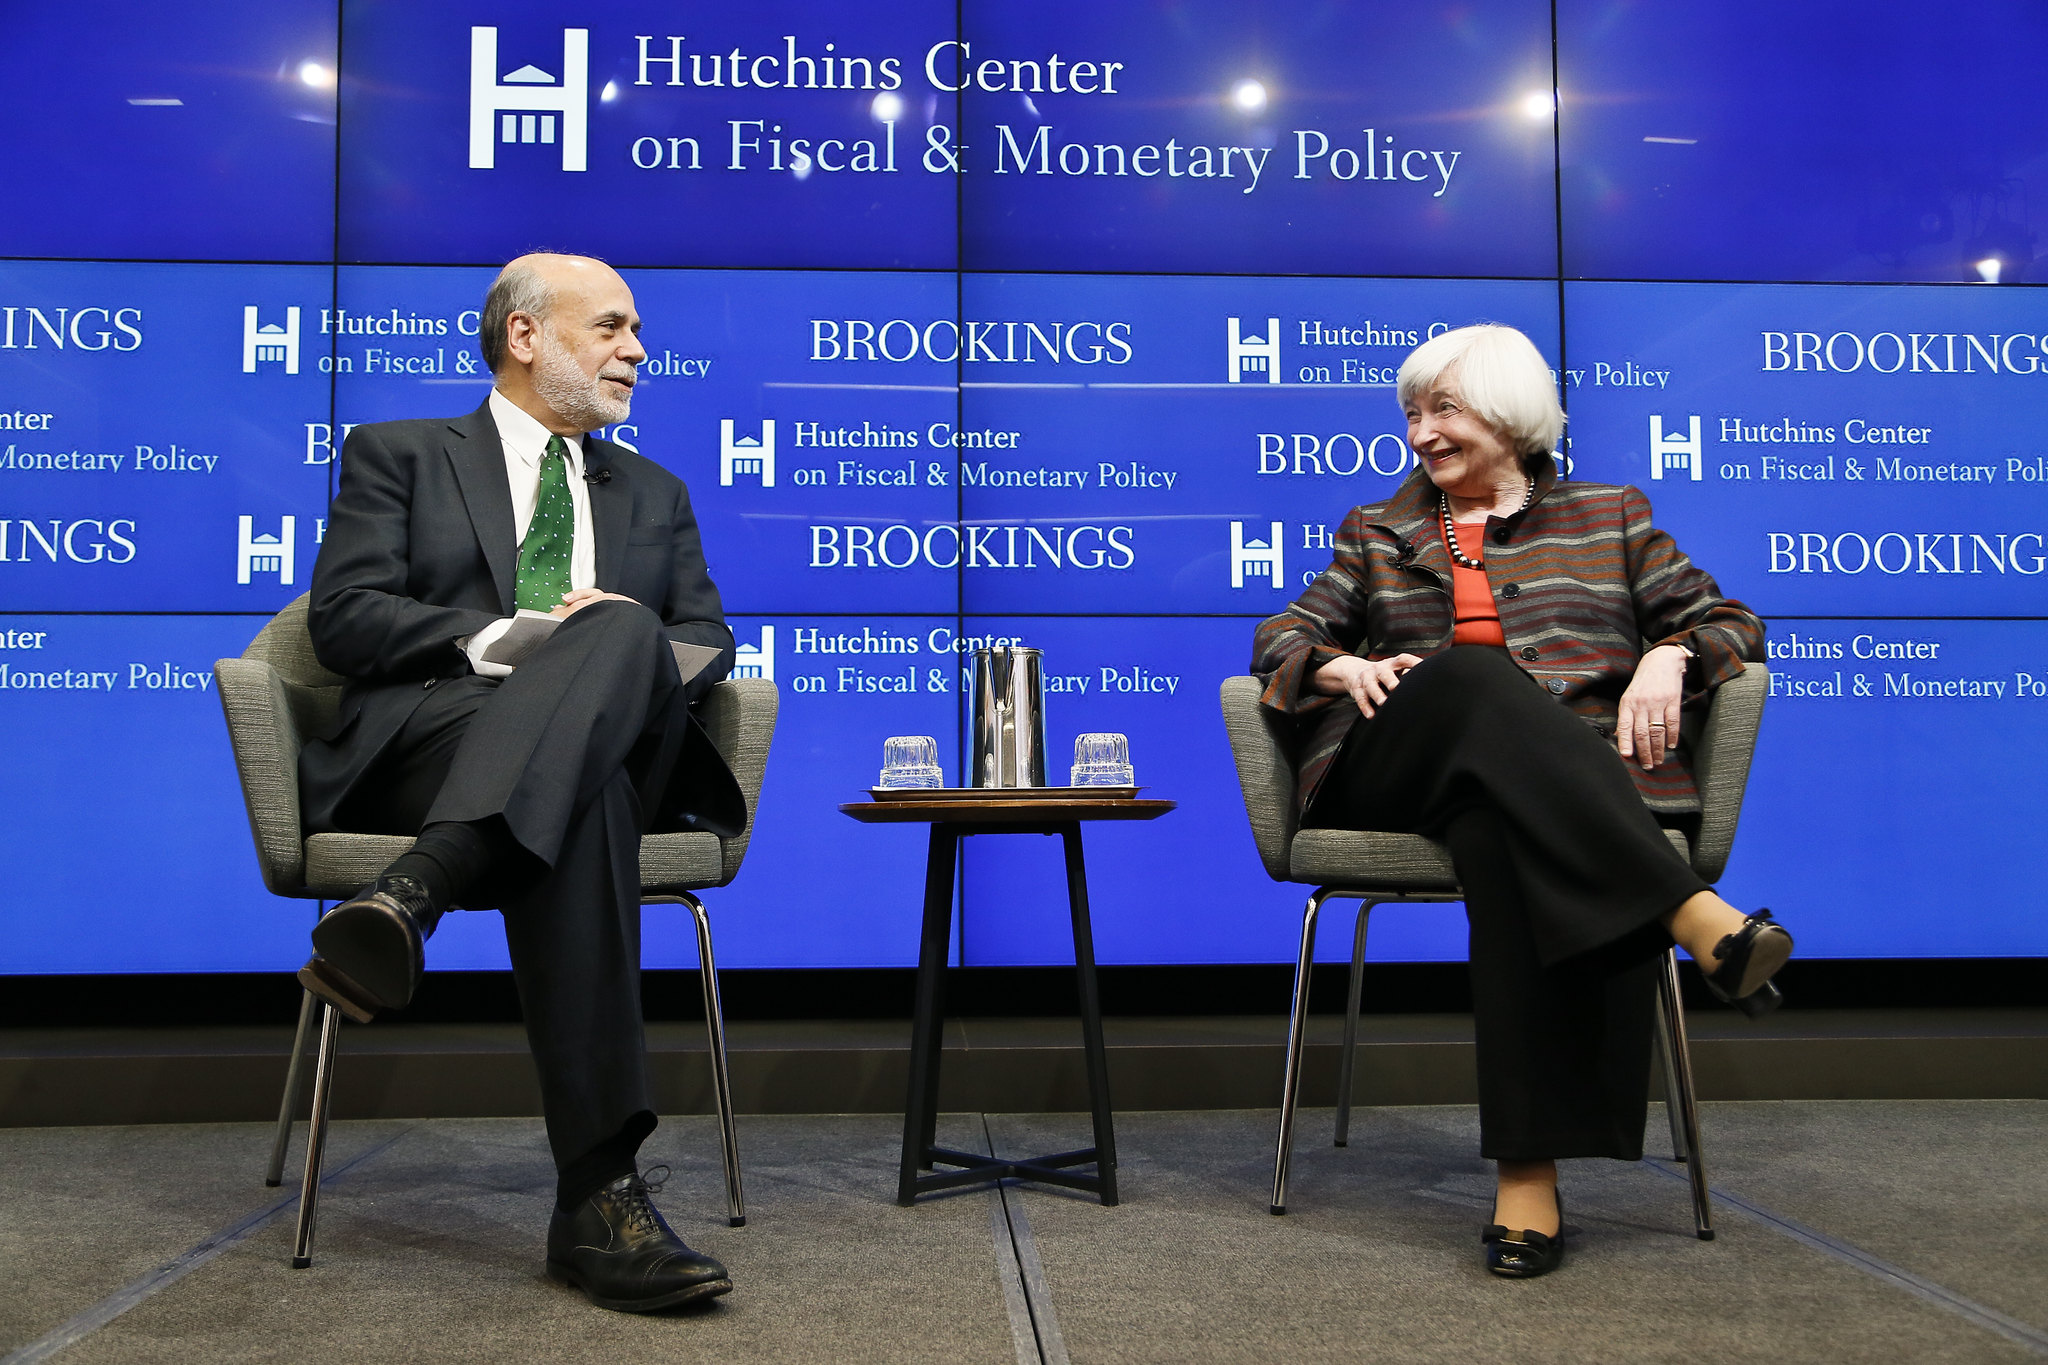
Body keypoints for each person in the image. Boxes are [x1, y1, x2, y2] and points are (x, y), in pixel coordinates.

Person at [1250, 323, 1792, 1279]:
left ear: (1508, 413)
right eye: (1411, 414)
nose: (1421, 432)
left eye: (1443, 410)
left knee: (1503, 831)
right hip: (1396, 772)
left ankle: (1527, 1177)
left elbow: (1730, 621)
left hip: (1539, 792)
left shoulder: (1610, 515)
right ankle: (1691, 914)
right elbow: (1281, 636)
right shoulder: (1378, 528)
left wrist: (1669, 655)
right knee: (1470, 674)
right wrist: (1342, 666)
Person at [295, 252, 743, 1312]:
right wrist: (504, 639)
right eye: (612, 326)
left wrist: (607, 650)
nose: (636, 350)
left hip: (605, 740)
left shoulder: (654, 491)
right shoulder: (401, 454)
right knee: (585, 797)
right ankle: (599, 1198)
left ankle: (417, 890)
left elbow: (707, 636)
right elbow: (345, 617)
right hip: (434, 740)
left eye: (637, 331)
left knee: (622, 632)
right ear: (525, 336)